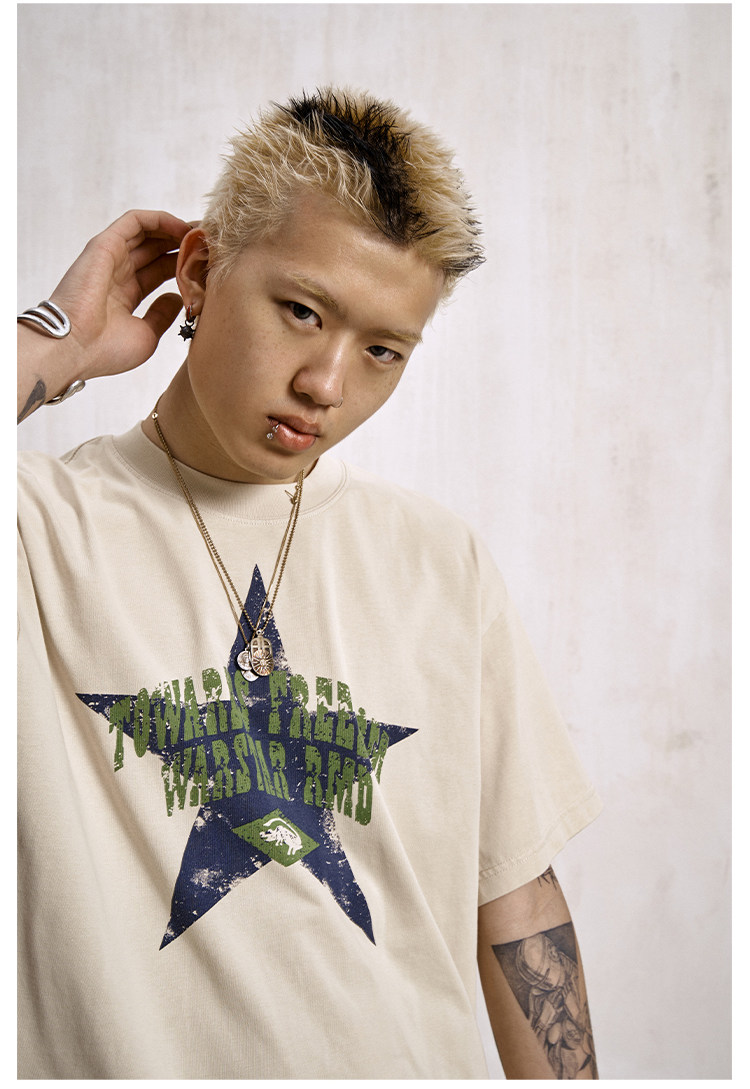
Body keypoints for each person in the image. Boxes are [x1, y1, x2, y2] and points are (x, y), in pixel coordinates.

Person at [17, 88, 602, 1079]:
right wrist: (55, 342)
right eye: (301, 311)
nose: (327, 384)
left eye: (382, 350)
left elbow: (517, 903)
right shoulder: (35, 532)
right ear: (200, 272)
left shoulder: (439, 560)